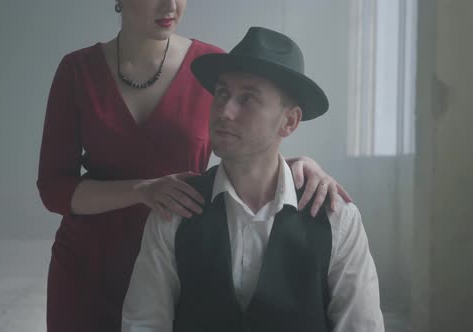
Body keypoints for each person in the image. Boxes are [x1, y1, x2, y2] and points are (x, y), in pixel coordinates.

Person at [37, 1, 352, 331]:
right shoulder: (77, 70)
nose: (171, 5)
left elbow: (243, 143)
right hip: (89, 267)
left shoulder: (210, 67)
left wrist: (297, 166)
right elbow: (54, 189)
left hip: (182, 259)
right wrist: (143, 190)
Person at [121, 27, 384, 332]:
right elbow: (144, 323)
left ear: (289, 121)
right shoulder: (175, 211)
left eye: (248, 99)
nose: (225, 112)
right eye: (222, 93)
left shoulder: (337, 218)